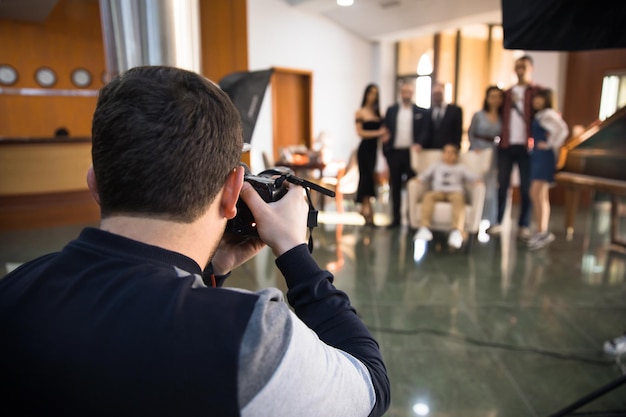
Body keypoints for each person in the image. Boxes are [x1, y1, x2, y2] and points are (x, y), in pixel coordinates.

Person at [0, 66, 390, 417]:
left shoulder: (17, 287)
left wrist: (211, 268)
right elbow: (370, 387)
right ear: (232, 190)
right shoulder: (250, 337)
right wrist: (294, 251)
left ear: (94, 183)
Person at [488, 55, 542, 240]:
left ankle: (524, 225)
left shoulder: (537, 92)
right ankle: (498, 221)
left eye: (523, 67)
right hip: (505, 145)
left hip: (527, 147)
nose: (520, 70)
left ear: (530, 68)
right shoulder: (507, 94)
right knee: (502, 185)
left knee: (526, 187)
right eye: (517, 66)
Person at [413, 143, 481, 249]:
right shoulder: (436, 165)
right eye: (446, 152)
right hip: (438, 191)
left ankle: (456, 231)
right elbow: (424, 175)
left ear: (456, 155)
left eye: (451, 153)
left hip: (455, 192)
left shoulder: (461, 168)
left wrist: (477, 181)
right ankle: (424, 228)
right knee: (428, 196)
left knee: (459, 199)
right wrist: (417, 179)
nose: (448, 155)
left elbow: (472, 177)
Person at [382, 79, 428, 228]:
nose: (406, 94)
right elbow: (386, 129)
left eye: (409, 92)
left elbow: (424, 131)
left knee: (411, 186)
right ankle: (396, 219)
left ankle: (411, 218)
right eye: (404, 92)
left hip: (412, 154)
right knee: (394, 187)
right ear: (400, 93)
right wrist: (386, 147)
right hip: (394, 153)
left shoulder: (420, 111)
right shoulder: (392, 110)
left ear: (413, 93)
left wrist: (419, 144)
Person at [527, 88, 569, 250]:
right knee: (541, 194)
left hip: (544, 156)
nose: (536, 101)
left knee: (536, 192)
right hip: (538, 155)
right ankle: (541, 231)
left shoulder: (548, 114)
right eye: (535, 99)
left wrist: (550, 144)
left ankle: (542, 231)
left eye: (540, 99)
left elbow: (563, 130)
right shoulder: (539, 115)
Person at [468, 85, 505, 226]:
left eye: (498, 97)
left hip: (492, 151)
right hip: (477, 151)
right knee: (476, 183)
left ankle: (488, 219)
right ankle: (473, 218)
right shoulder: (478, 115)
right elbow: (471, 133)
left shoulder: (502, 118)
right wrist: (475, 147)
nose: (495, 100)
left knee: (490, 186)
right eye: (492, 96)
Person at [355, 83, 387, 226]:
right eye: (371, 93)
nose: (373, 96)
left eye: (375, 93)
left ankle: (365, 209)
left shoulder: (378, 114)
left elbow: (385, 132)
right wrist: (377, 133)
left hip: (374, 150)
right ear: (366, 94)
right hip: (364, 149)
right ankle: (369, 211)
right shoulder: (360, 112)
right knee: (365, 177)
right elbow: (360, 132)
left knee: (370, 179)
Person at [423, 82, 463, 149]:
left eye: (439, 94)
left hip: (448, 149)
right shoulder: (428, 112)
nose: (437, 96)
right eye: (434, 94)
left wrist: (456, 147)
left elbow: (458, 131)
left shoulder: (455, 110)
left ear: (443, 93)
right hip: (431, 149)